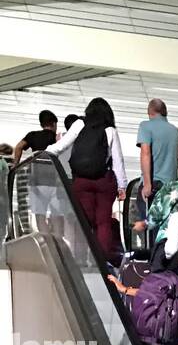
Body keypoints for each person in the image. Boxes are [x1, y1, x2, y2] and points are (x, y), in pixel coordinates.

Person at [49, 96, 126, 258]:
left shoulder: (79, 124)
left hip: (82, 181)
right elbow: (118, 161)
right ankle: (102, 261)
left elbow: (61, 146)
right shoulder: (110, 130)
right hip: (104, 181)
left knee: (83, 222)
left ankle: (82, 258)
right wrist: (122, 186)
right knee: (103, 222)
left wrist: (45, 153)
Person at [136, 97, 178, 210]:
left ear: (150, 112)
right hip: (171, 187)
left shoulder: (145, 126)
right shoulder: (176, 131)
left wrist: (147, 184)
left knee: (148, 223)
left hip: (153, 184)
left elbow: (145, 153)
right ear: (165, 112)